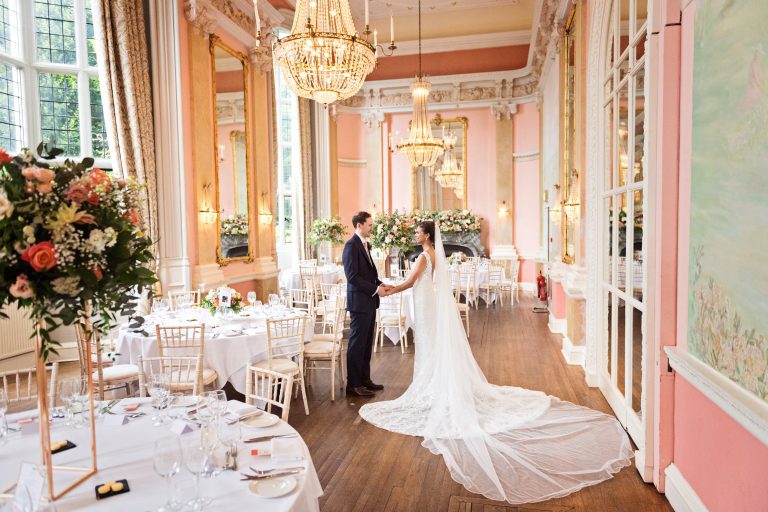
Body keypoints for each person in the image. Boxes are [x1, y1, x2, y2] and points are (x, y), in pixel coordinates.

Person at [362, 221, 633, 504]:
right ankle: (436, 385)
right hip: (430, 305)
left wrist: (389, 290)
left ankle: (433, 389)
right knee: (433, 349)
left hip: (426, 307)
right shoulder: (434, 255)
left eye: (418, 231)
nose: (415, 234)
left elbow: (409, 282)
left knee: (429, 348)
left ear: (427, 235)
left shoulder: (422, 256)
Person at [341, 211, 392, 397]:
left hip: (369, 301)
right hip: (359, 303)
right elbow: (353, 277)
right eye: (369, 225)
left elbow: (368, 275)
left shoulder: (364, 244)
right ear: (359, 225)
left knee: (366, 343)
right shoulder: (351, 246)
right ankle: (353, 384)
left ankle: (365, 379)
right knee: (356, 344)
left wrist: (380, 285)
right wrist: (375, 290)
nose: (372, 228)